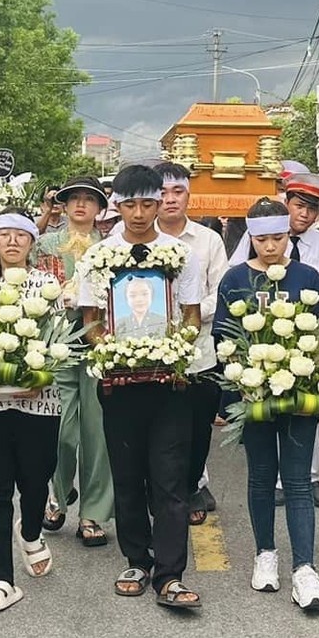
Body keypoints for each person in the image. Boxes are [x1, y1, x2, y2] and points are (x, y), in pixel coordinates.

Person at [83, 164, 207, 610]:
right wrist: (116, 352)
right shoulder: (98, 256)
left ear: (161, 203)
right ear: (116, 205)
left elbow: (191, 315)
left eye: (148, 204)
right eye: (129, 204)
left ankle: (171, 575)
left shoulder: (180, 253)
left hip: (170, 382)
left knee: (170, 479)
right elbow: (91, 321)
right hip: (119, 384)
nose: (138, 213)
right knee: (128, 476)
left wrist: (173, 350)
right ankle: (136, 559)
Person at [217, 198, 319, 609]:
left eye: (278, 238)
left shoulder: (308, 276)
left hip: (300, 393)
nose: (270, 247)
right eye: (261, 238)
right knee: (261, 476)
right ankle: (266, 553)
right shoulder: (234, 280)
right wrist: (231, 396)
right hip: (254, 394)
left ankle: (305, 568)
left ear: (289, 236)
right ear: (250, 237)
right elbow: (223, 338)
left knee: (298, 481)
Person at [0, 214, 62, 614]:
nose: (11, 241)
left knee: (36, 478)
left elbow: (58, 341)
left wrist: (42, 374)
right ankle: (3, 579)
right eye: (4, 235)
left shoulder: (48, 287)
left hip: (38, 399)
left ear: (32, 242)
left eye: (20, 235)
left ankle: (33, 531)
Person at [39, 176, 115, 546]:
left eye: (90, 200)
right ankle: (58, 490)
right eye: (74, 199)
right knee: (61, 431)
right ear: (63, 205)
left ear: (101, 208)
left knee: (97, 433)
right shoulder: (45, 245)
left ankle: (94, 513)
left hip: (100, 344)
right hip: (58, 345)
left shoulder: (113, 247)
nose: (81, 205)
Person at [156, 162, 229, 525]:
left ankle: (190, 486)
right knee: (158, 428)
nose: (170, 199)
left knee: (198, 428)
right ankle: (162, 492)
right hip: (149, 354)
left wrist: (188, 315)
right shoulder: (135, 237)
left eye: (178, 192)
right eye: (163, 192)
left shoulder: (208, 240)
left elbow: (223, 292)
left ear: (189, 195)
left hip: (199, 350)